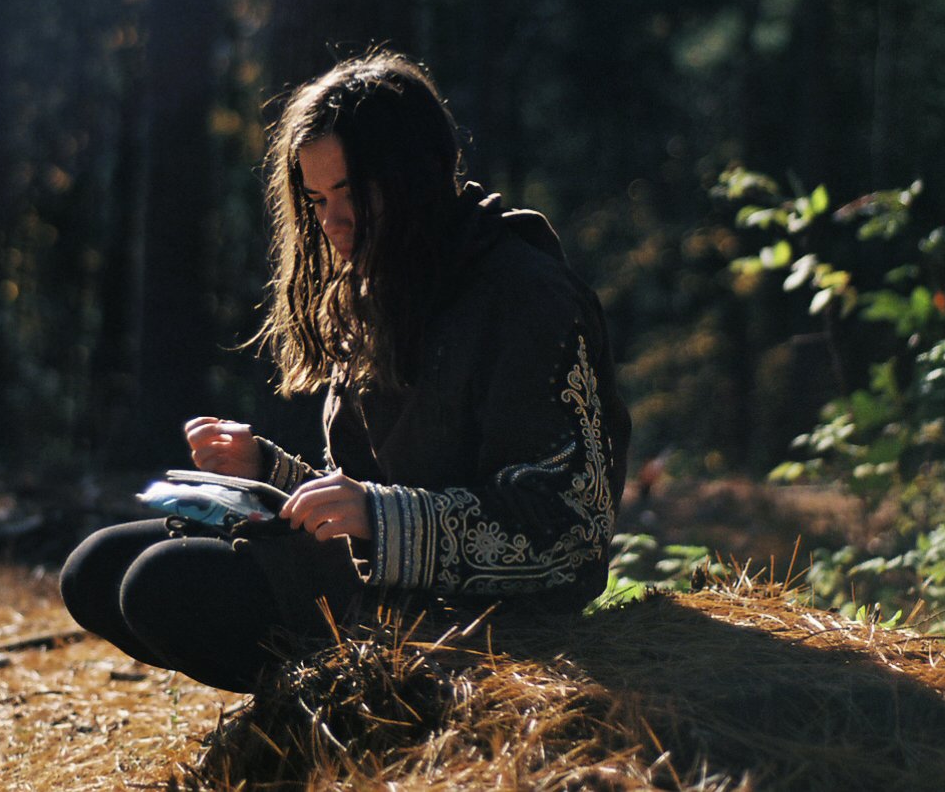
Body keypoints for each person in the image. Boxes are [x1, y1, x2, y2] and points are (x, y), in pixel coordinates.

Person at [60, 51, 631, 693]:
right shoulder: (379, 285)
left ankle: (356, 715)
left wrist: (381, 518)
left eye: (353, 195)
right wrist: (268, 472)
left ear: (417, 175)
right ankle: (321, 710)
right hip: (381, 593)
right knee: (95, 569)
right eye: (317, 199)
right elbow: (367, 497)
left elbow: (570, 538)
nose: (331, 222)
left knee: (162, 585)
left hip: (481, 626)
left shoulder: (528, 298)